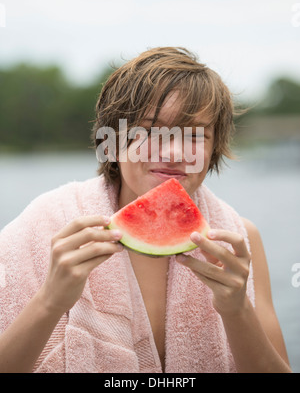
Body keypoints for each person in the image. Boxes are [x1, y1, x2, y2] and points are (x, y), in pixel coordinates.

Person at [0, 47, 291, 373]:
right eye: (151, 131)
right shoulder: (44, 225)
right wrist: (49, 302)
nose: (173, 152)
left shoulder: (239, 238)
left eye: (195, 135)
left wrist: (237, 310)